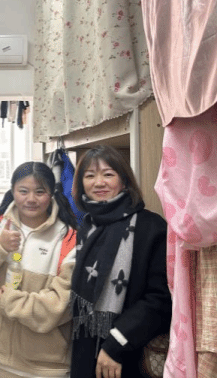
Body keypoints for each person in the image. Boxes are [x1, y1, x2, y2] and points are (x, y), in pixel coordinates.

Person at [0, 161, 78, 378]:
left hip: (44, 364)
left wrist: (12, 301)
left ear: (51, 194)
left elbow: (61, 304)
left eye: (40, 192)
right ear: (12, 191)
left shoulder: (68, 238)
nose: (31, 199)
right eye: (23, 191)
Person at [69, 145, 172, 378]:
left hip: (129, 352)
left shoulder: (151, 227)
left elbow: (161, 298)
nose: (99, 183)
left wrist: (116, 344)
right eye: (90, 176)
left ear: (124, 181)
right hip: (85, 350)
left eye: (108, 174)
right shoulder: (85, 228)